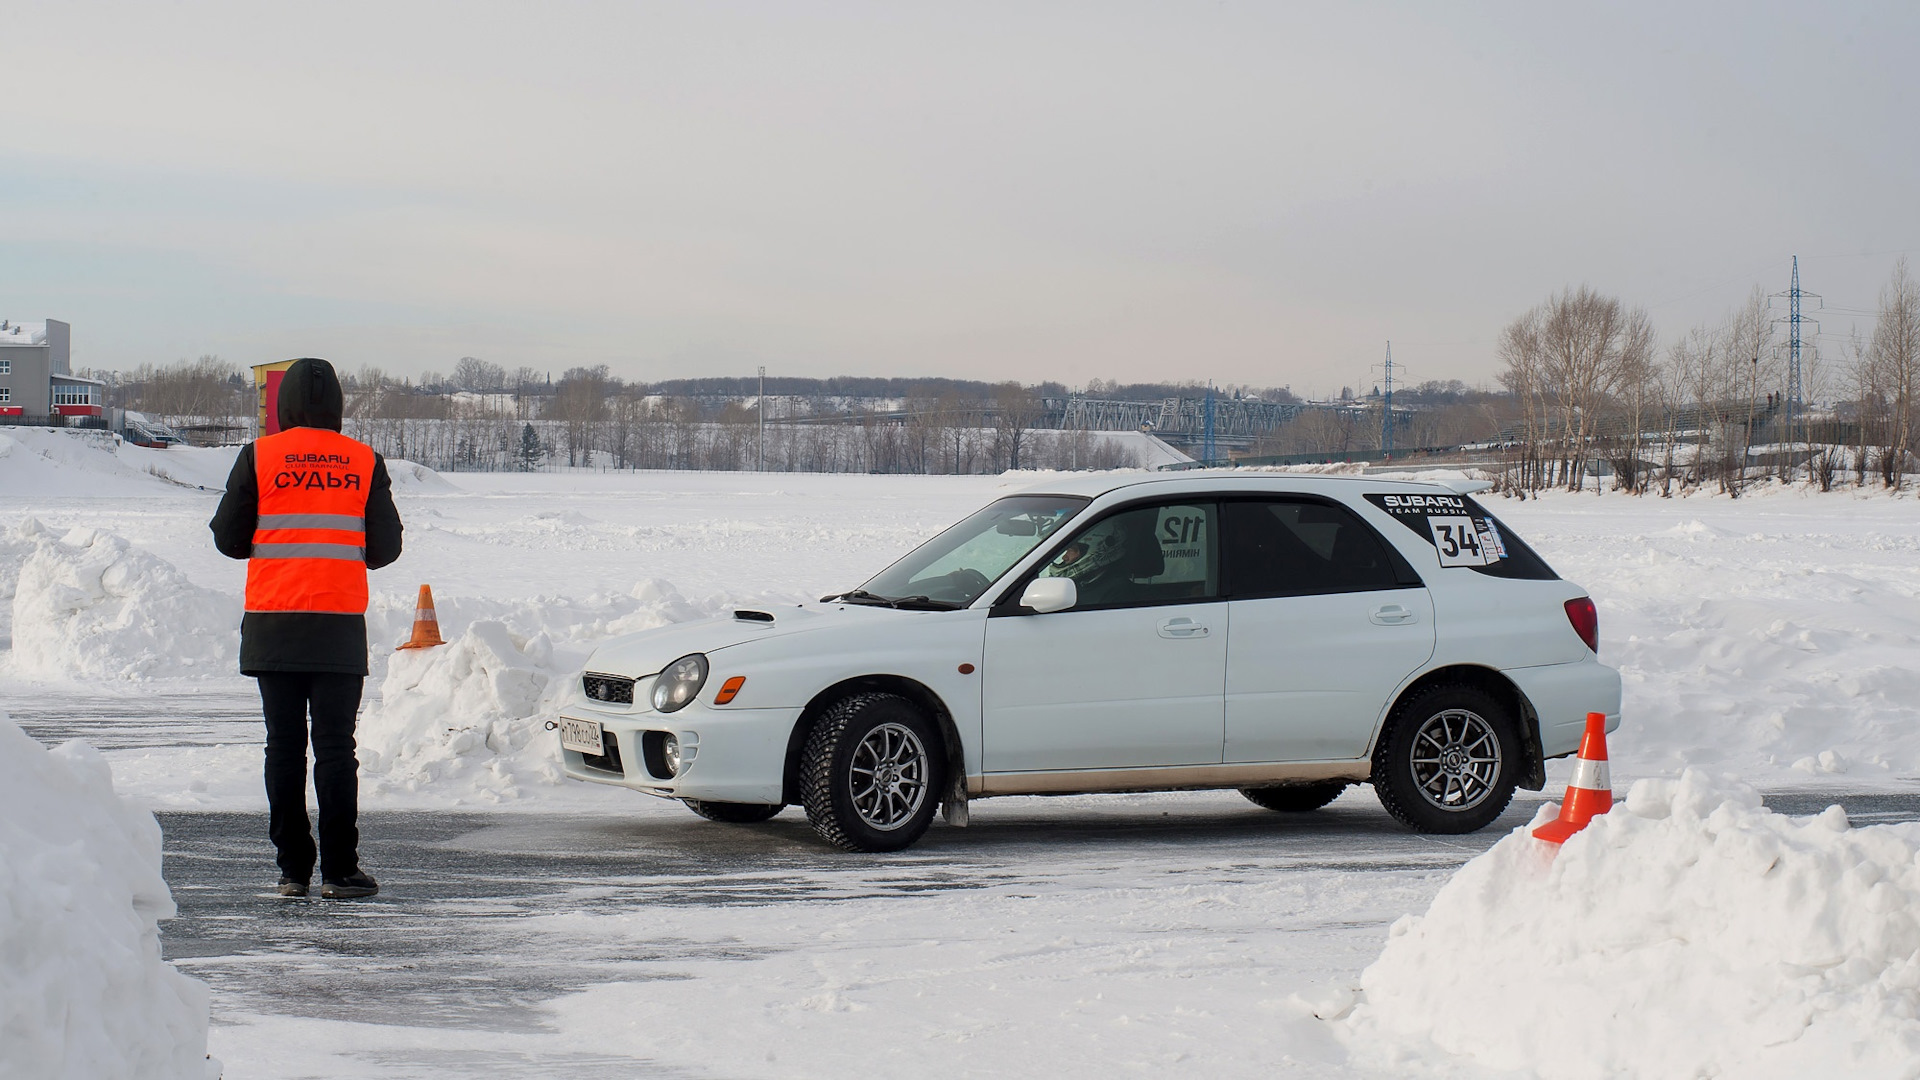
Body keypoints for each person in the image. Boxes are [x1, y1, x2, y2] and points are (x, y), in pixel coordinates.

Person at [209, 358, 403, 899]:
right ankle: (340, 870)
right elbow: (386, 548)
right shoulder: (363, 460)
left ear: (284, 404)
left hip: (274, 622)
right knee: (337, 748)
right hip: (338, 625)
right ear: (337, 404)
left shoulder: (259, 456)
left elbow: (227, 538)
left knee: (284, 747)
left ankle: (292, 870)